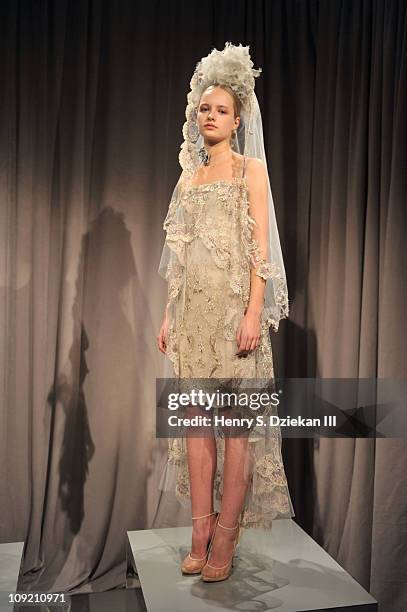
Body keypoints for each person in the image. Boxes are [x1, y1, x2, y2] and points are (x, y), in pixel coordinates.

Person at [157, 42, 294, 582]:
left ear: (238, 120)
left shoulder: (250, 171)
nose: (209, 116)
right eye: (204, 108)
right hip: (193, 318)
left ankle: (225, 539)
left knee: (235, 430)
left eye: (221, 109)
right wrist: (170, 314)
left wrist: (254, 312)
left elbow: (261, 250)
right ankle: (198, 530)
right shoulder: (187, 179)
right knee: (196, 427)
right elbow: (180, 254)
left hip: (235, 314)